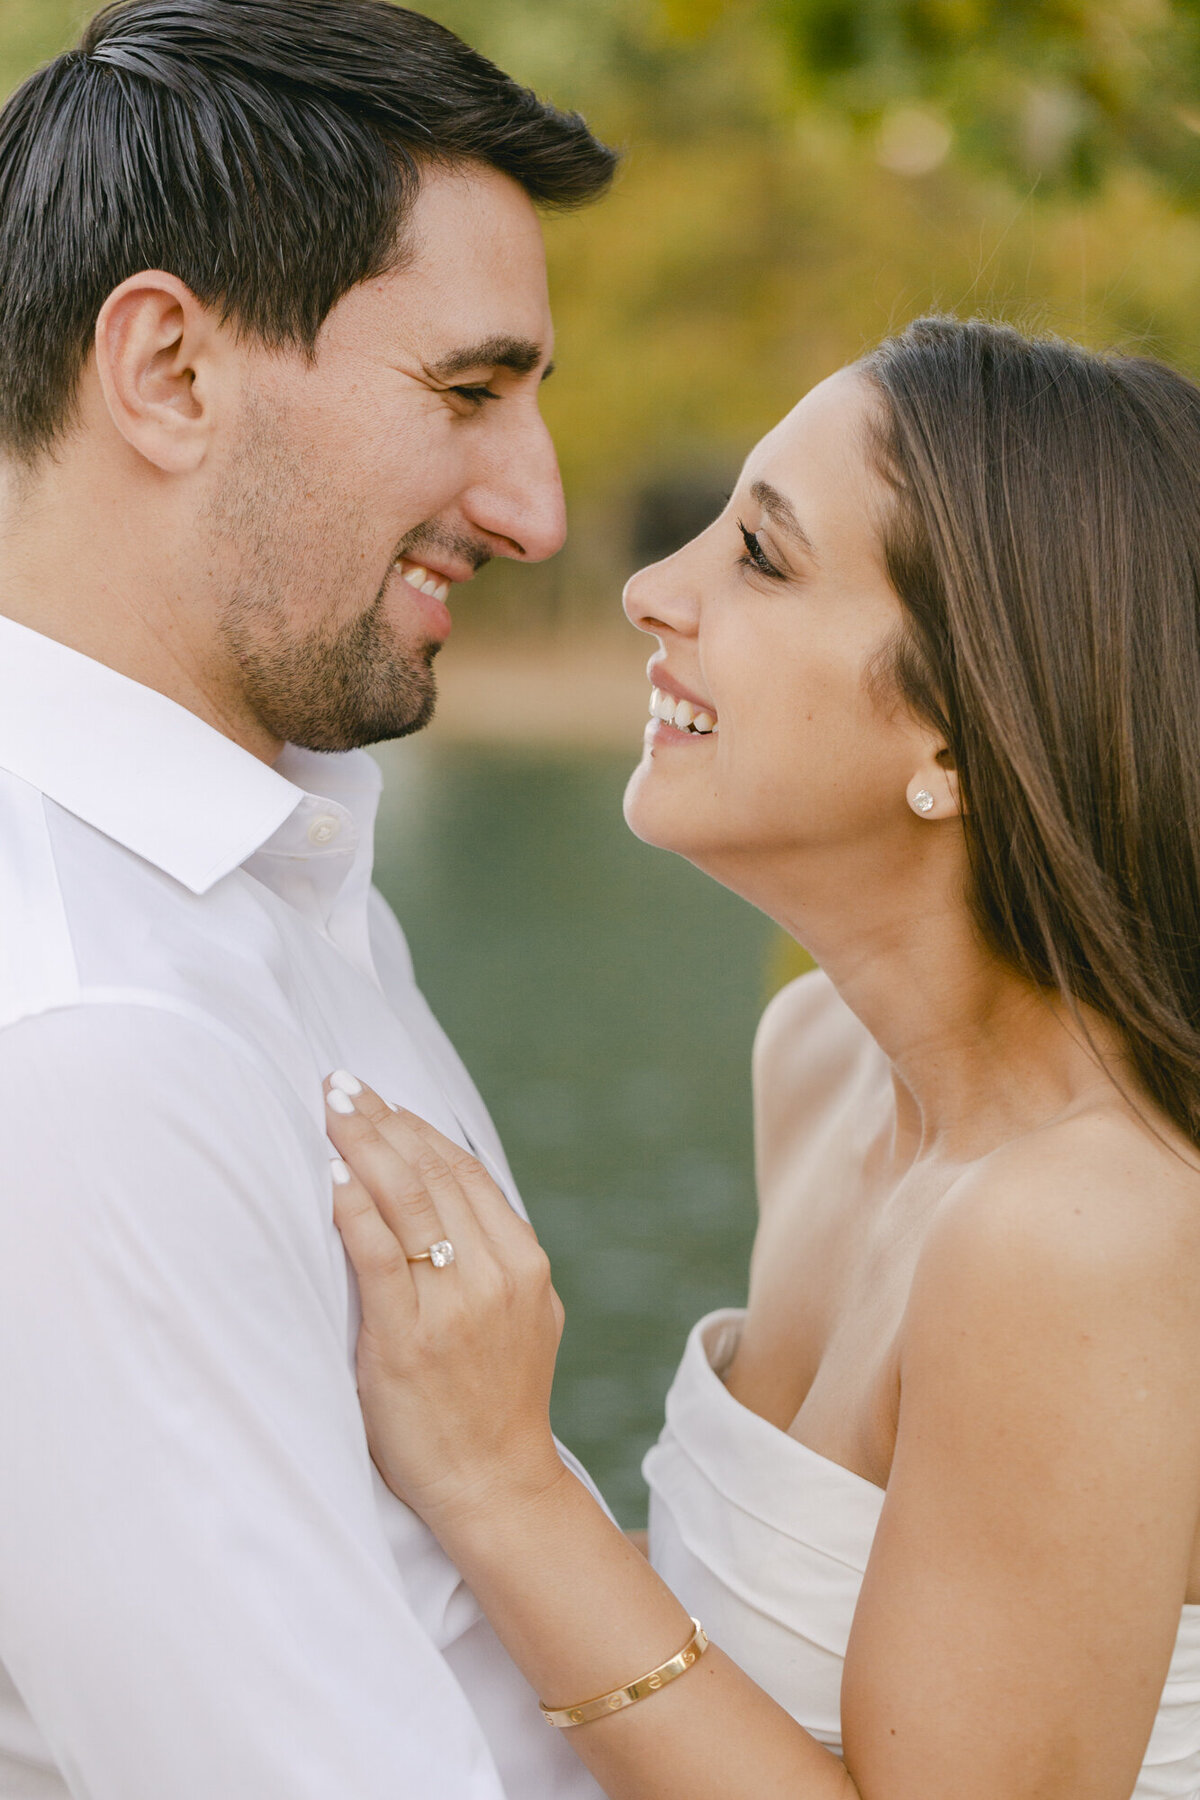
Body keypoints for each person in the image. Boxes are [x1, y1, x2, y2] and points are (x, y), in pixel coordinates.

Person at [324, 316, 1200, 1800]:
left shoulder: (1083, 1233)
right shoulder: (818, 1060)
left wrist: (502, 1482)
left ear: (965, 734)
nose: (652, 591)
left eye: (764, 559)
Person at [0, 3, 616, 1796]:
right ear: (172, 373)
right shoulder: (90, 1041)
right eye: (468, 391)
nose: (538, 509)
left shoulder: (263, 872)